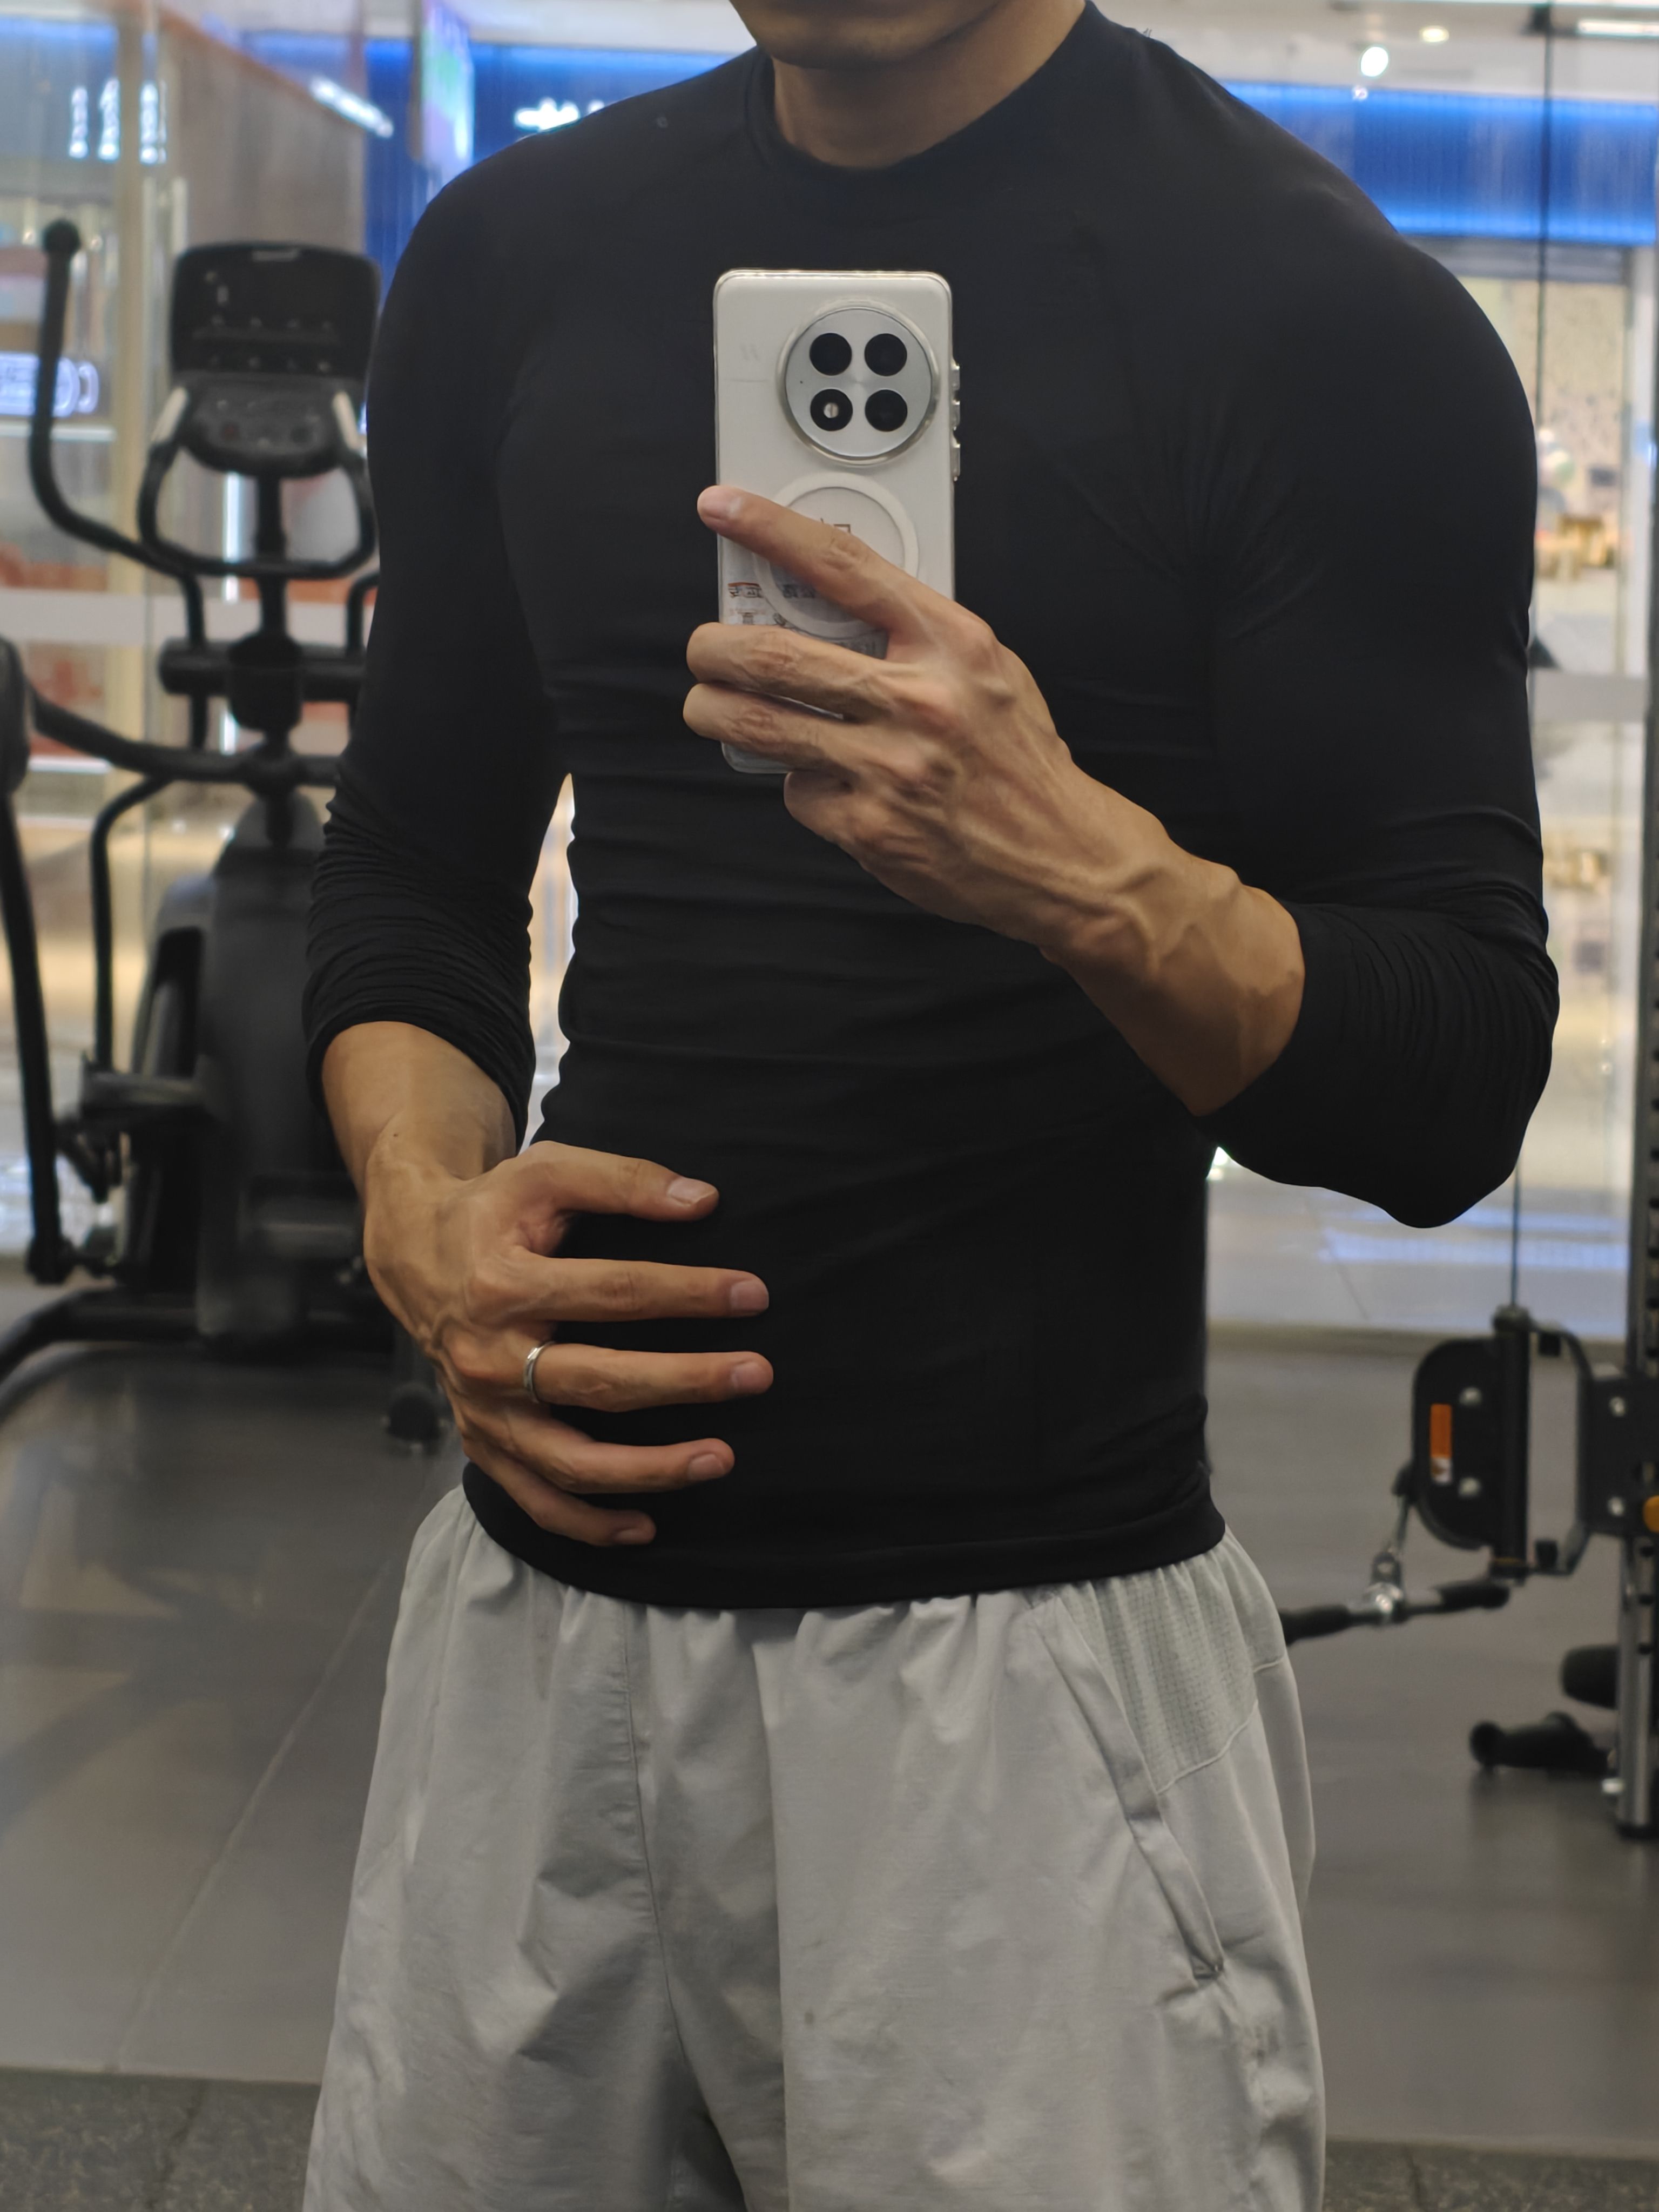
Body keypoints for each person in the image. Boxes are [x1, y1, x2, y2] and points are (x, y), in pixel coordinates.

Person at [301, 0, 1555, 2203]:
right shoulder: (516, 255)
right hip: (530, 1642)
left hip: (1028, 1687)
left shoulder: (1319, 315)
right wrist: (423, 1214)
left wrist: (1083, 868)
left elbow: (1450, 1073)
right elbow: (414, 865)